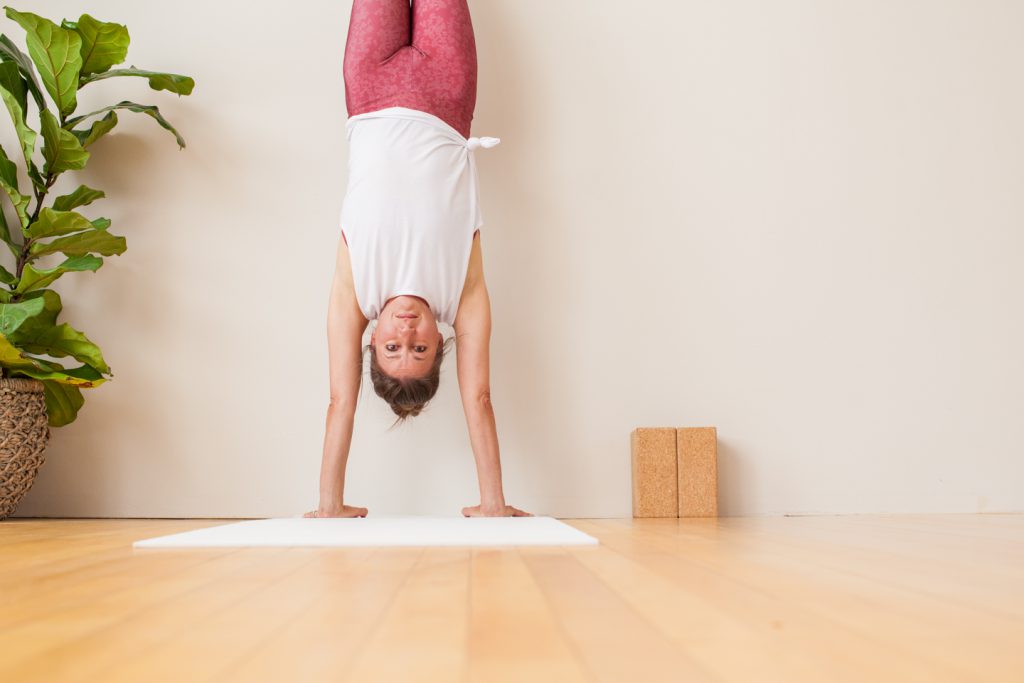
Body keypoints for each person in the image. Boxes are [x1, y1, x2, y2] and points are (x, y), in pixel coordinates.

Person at [304, 0, 532, 519]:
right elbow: (479, 399)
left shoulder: (355, 293)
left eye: (392, 345)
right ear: (440, 341)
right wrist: (493, 504)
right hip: (446, 94)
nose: (407, 330)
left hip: (368, 88)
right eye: (421, 346)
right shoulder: (462, 295)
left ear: (371, 340)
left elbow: (340, 401)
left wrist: (329, 506)